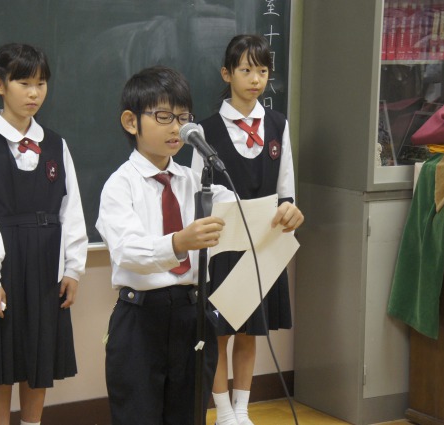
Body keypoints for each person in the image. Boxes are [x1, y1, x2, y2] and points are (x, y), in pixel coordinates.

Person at [96, 65, 234, 425]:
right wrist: (178, 242)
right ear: (131, 122)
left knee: (188, 415)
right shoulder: (119, 185)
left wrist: (280, 212)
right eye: (163, 116)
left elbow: (241, 214)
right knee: (137, 415)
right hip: (141, 318)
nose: (176, 127)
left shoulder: (194, 181)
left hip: (193, 315)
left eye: (183, 117)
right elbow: (127, 251)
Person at [0, 43, 88, 425]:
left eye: (41, 83)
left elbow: (73, 208)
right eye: (24, 83)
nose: (34, 93)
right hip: (4, 261)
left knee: (39, 355)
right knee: (1, 359)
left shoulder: (56, 143)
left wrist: (74, 268)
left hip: (48, 260)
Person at [191, 34, 304, 425]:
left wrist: (290, 211)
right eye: (245, 70)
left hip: (265, 245)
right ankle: (222, 411)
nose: (255, 78)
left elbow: (286, 190)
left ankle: (242, 409)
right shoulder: (204, 131)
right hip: (224, 247)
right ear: (227, 73)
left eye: (262, 70)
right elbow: (194, 195)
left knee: (251, 332)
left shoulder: (277, 124)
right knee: (220, 332)